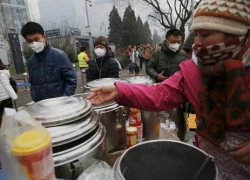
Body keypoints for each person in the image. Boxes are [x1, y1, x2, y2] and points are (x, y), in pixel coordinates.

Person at [87, 0, 250, 179]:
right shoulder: (195, 69)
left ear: (236, 34)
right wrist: (120, 90)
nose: (196, 44)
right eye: (196, 35)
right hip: (208, 161)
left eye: (205, 34)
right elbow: (160, 93)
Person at [21, 22, 77, 102]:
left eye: (36, 39)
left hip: (60, 106)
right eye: (30, 41)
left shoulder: (59, 55)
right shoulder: (31, 62)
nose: (34, 43)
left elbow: (71, 80)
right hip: (41, 106)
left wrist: (64, 101)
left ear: (44, 37)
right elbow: (33, 84)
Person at [0, 59, 18, 124]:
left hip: (5, 99)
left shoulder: (2, 74)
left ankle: (12, 129)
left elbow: (7, 85)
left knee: (9, 116)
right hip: (4, 99)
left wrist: (14, 96)